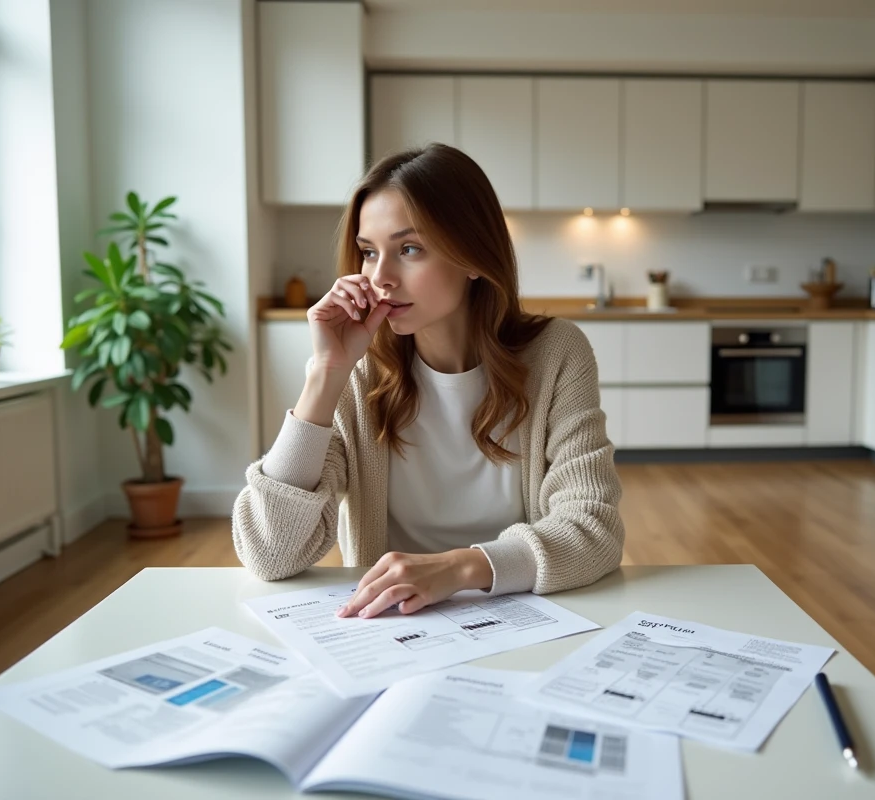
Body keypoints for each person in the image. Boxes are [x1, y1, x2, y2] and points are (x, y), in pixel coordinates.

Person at [233, 143, 624, 619]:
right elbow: (271, 555)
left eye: (409, 249)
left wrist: (459, 569)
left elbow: (593, 527)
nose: (381, 278)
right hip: (393, 626)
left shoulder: (557, 353)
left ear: (473, 256)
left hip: (518, 615)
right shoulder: (357, 368)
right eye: (368, 252)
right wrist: (325, 376)